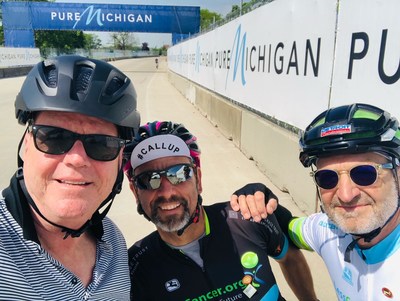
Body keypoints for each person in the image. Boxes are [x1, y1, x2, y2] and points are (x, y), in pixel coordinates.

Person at [124, 120, 318, 301]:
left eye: (180, 173)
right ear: (135, 192)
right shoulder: (135, 268)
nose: (167, 192)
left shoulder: (246, 217)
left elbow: (290, 258)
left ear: (198, 180)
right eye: (149, 179)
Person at [0, 55, 140, 300]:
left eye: (101, 144)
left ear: (119, 161)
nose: (76, 159)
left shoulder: (114, 243)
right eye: (54, 137)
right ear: (26, 146)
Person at [231, 103, 400, 300]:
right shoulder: (330, 230)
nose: (346, 195)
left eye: (365, 174)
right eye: (328, 178)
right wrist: (261, 198)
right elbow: (287, 227)